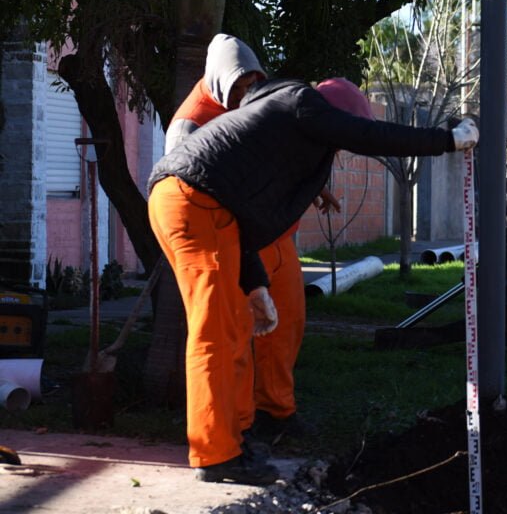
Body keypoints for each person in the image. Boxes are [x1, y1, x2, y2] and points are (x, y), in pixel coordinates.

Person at [149, 74, 478, 485]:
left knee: (231, 331)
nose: (338, 145)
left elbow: (244, 213)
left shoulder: (279, 138)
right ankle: (215, 455)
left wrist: (255, 286)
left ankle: (234, 440)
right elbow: (370, 136)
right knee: (215, 334)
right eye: (340, 134)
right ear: (335, 117)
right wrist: (446, 140)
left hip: (201, 205)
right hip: (193, 203)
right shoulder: (300, 103)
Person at [165, 34, 331, 453]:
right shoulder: (190, 124)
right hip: (231, 240)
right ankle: (238, 426)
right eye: (238, 87)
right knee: (233, 335)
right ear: (220, 82)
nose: (245, 93)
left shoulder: (257, 106)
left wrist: (313, 188)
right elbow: (183, 190)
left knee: (287, 324)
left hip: (275, 237)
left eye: (252, 83)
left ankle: (277, 410)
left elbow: (274, 160)